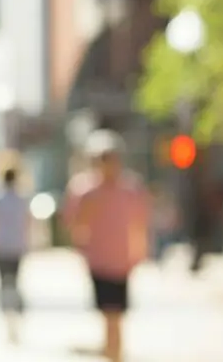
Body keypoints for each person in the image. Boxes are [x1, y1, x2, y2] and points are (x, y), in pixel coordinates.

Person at [64, 129, 151, 362]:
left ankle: (114, 353)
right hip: (99, 261)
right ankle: (113, 352)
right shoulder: (84, 190)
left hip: (122, 261)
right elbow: (75, 226)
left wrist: (140, 253)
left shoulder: (131, 188)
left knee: (116, 315)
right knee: (108, 314)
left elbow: (140, 224)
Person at [0, 166, 31, 343]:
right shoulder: (21, 200)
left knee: (5, 283)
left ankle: (9, 320)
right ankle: (13, 321)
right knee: (14, 282)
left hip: (2, 246)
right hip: (16, 247)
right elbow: (27, 224)